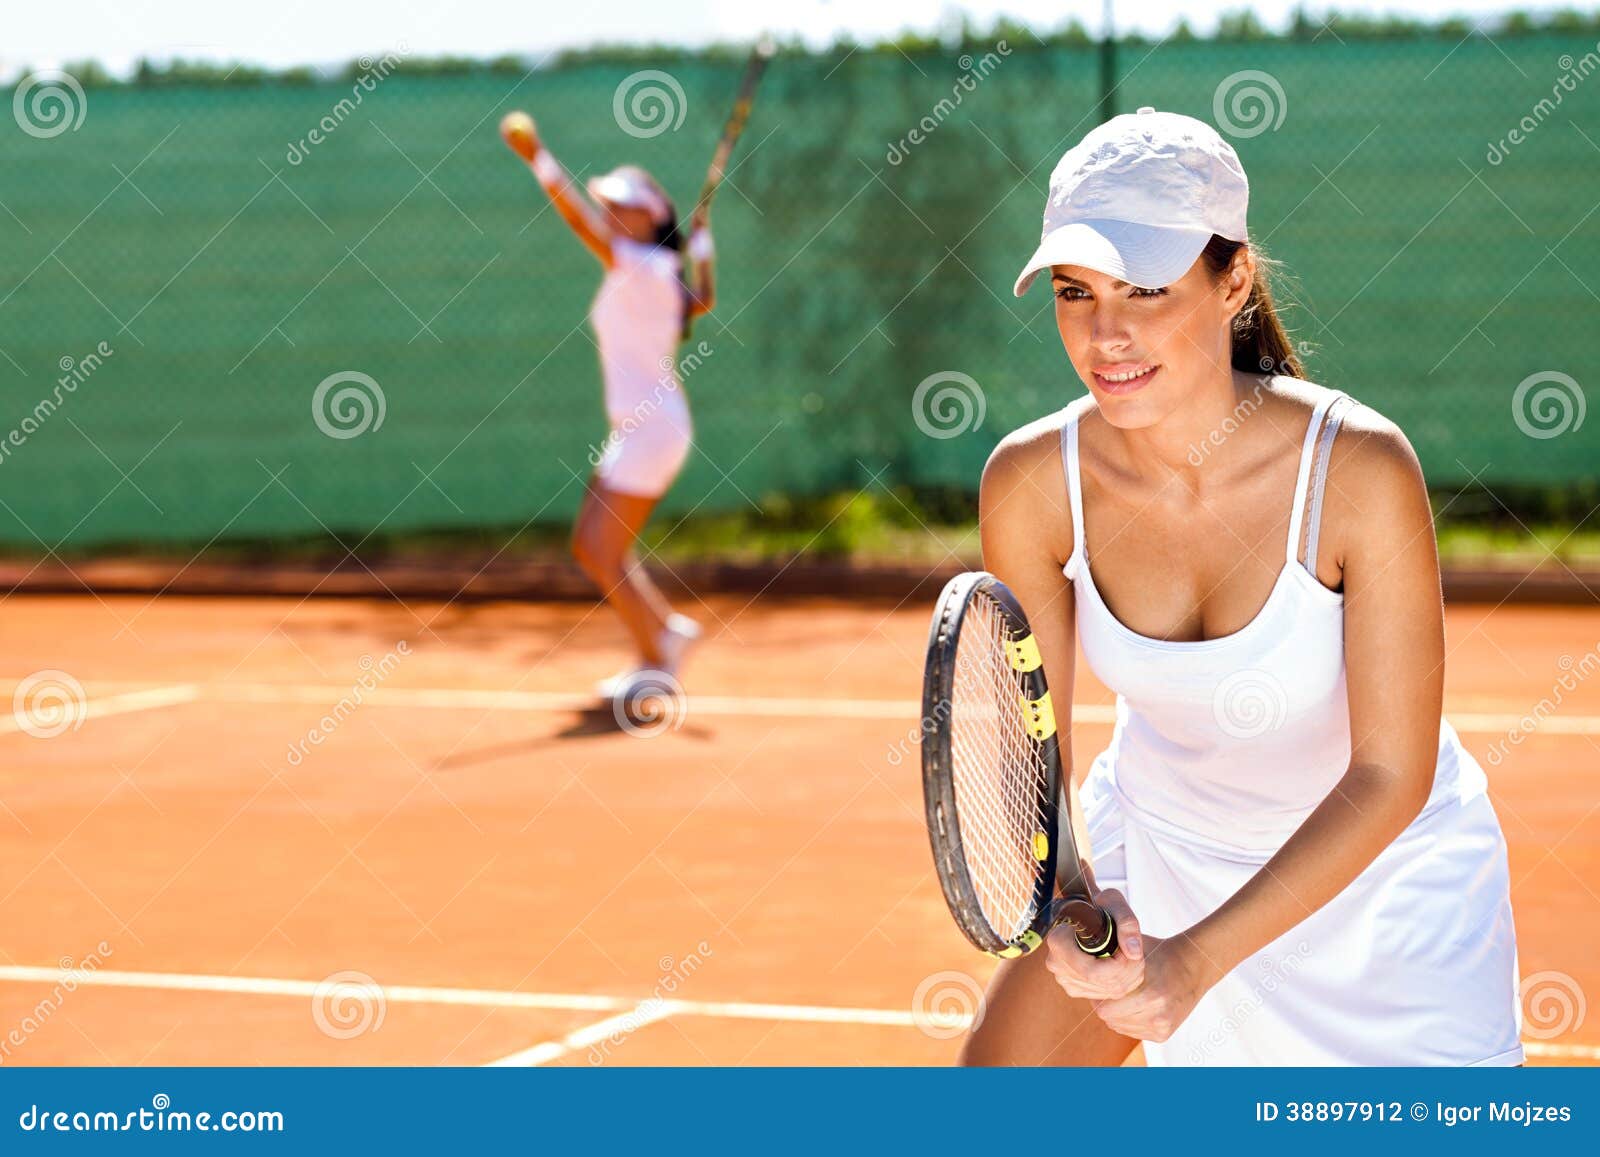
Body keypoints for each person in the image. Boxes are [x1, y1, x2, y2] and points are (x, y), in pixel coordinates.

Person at [962, 107, 1522, 1066]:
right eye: (1072, 290)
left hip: (1381, 891)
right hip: (1162, 842)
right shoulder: (1030, 484)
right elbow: (1033, 763)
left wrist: (1197, 959)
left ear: (1235, 280)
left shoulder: (1361, 470)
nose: (1105, 333)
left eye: (1145, 287)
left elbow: (1392, 774)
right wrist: (1075, 897)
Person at [500, 112, 713, 697]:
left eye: (625, 207)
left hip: (652, 431)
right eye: (610, 205)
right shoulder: (659, 270)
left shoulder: (641, 264)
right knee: (590, 547)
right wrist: (705, 250)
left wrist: (539, 157)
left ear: (654, 218)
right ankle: (664, 635)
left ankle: (658, 661)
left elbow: (579, 220)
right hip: (638, 427)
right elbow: (702, 302)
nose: (612, 216)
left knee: (601, 550)